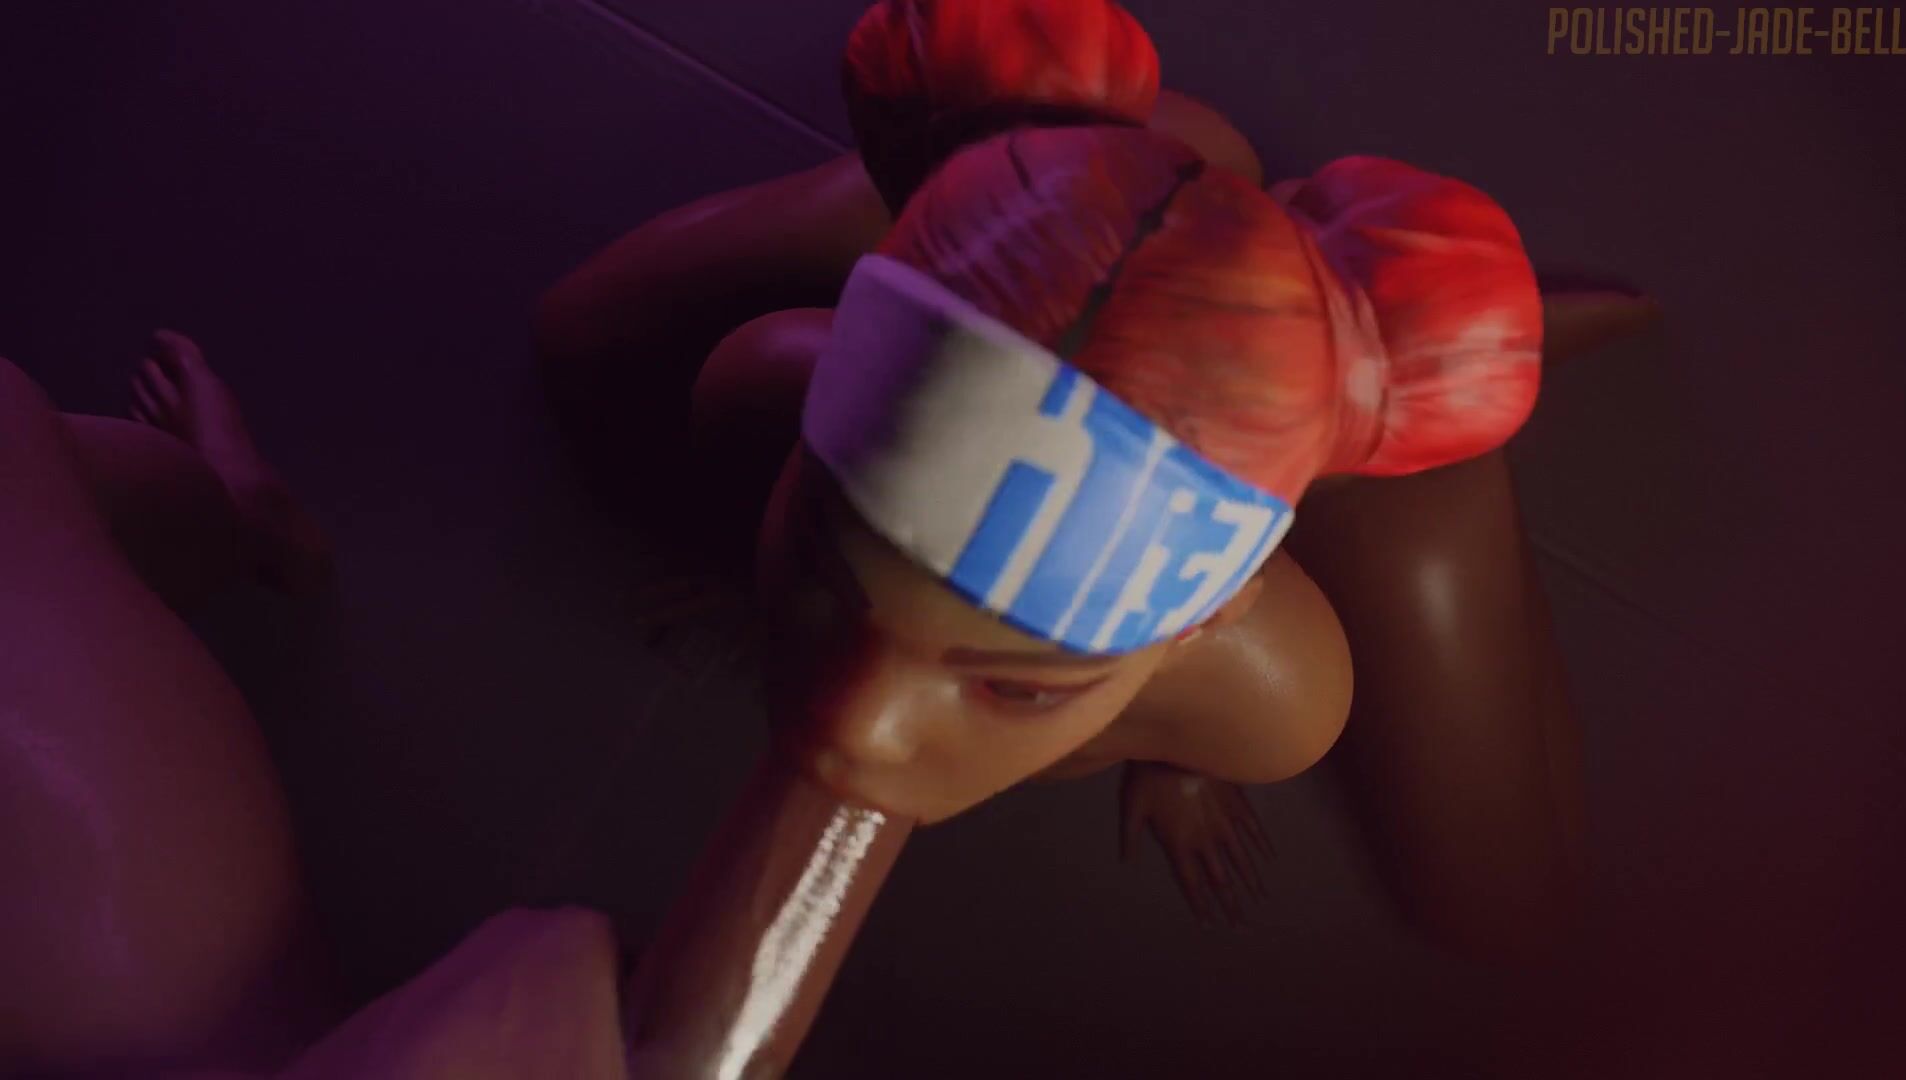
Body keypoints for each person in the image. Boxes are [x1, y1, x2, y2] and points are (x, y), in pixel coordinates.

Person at [536, 0, 1660, 960]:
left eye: (1016, 688)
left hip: (1311, 469)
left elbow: (1197, 717)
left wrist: (1173, 762)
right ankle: (1093, 178)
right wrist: (763, 583)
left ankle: (1276, 287)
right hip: (1027, 255)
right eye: (823, 565)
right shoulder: (756, 390)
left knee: (1500, 906)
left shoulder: (1279, 699)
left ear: (1202, 622)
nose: (853, 727)